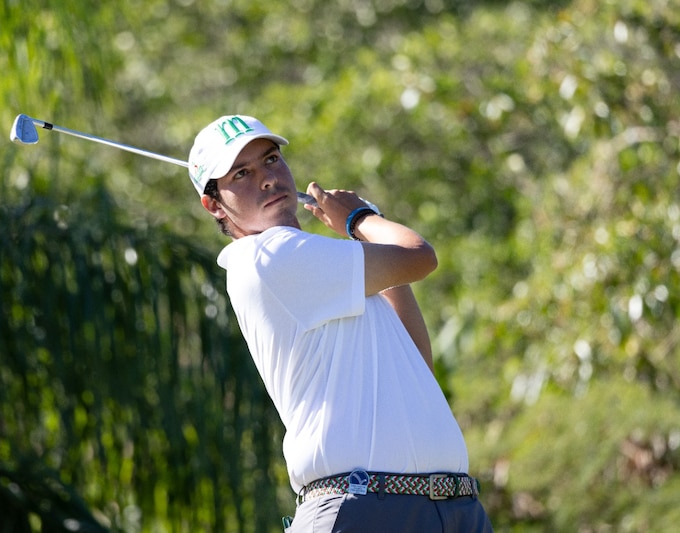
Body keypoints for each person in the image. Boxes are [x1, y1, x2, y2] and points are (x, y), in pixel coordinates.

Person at [187, 115, 493, 532]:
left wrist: (361, 235)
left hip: (450, 510)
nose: (266, 179)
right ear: (214, 204)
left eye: (272, 159)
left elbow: (417, 366)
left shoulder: (324, 270)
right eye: (241, 173)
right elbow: (420, 257)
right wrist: (361, 218)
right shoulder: (267, 256)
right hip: (364, 509)